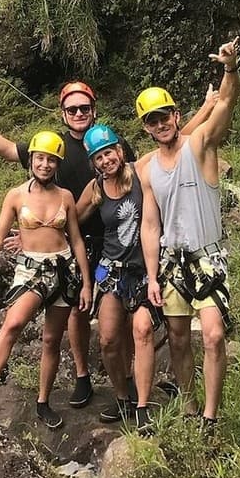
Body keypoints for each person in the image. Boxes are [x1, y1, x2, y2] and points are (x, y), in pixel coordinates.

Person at [0, 81, 136, 407]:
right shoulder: (54, 147)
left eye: (85, 108)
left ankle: (127, 378)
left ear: (94, 109)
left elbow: (138, 175)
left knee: (121, 312)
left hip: (114, 239)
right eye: (73, 109)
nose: (80, 113)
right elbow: (8, 149)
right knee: (77, 313)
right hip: (74, 240)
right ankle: (82, 376)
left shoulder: (111, 142)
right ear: (63, 113)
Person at [136, 38, 240, 431]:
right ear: (146, 127)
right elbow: (150, 224)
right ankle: (189, 404)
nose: (161, 123)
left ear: (177, 115)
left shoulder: (199, 145)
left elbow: (226, 107)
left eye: (165, 115)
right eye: (152, 120)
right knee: (178, 339)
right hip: (171, 261)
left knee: (212, 335)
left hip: (207, 256)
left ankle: (211, 417)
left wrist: (230, 69)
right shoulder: (147, 168)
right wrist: (150, 277)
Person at [0, 131, 92, 430]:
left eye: (51, 160)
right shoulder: (17, 195)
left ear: (58, 164)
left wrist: (86, 282)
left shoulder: (66, 197)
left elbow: (77, 241)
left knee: (51, 340)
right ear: (31, 160)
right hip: (32, 269)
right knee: (13, 323)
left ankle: (43, 402)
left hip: (62, 270)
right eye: (40, 159)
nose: (45, 165)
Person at [76, 123, 163, 431]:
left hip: (143, 270)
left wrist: (209, 108)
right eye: (98, 157)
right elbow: (69, 218)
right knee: (110, 339)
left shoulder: (140, 172)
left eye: (108, 153)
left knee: (142, 331)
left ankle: (142, 406)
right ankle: (123, 397)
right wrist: (33, 234)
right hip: (111, 271)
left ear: (120, 151)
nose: (105, 161)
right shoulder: (96, 188)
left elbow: (177, 140)